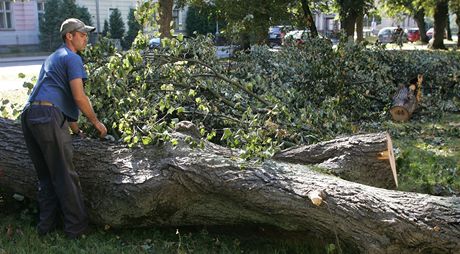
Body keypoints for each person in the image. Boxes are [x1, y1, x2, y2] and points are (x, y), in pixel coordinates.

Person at [21, 18, 107, 239]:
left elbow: (60, 100)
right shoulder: (73, 58)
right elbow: (78, 97)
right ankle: (76, 231)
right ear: (70, 36)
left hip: (30, 115)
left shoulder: (53, 57)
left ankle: (45, 227)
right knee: (65, 176)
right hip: (48, 117)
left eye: (87, 34)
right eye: (82, 34)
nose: (86, 38)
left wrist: (76, 130)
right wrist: (96, 122)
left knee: (46, 176)